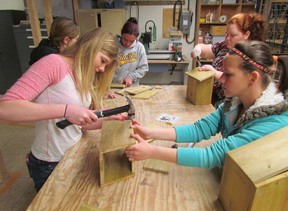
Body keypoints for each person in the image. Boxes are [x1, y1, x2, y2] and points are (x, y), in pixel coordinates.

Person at [125, 40, 288, 169]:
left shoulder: (272, 122)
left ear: (252, 78)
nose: (220, 78)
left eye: (228, 74)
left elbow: (214, 155)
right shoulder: (235, 102)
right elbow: (200, 129)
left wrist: (152, 151)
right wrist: (150, 133)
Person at [0, 28, 125, 192]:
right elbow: (6, 107)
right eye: (102, 60)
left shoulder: (83, 73)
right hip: (50, 162)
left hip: (73, 153)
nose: (102, 69)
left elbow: (78, 123)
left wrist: (103, 120)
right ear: (90, 47)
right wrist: (66, 110)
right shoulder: (53, 64)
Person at [191, 13, 266, 107]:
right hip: (211, 100)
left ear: (246, 34)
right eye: (226, 34)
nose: (227, 39)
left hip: (231, 105)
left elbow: (239, 82)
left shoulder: (252, 55)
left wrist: (214, 73)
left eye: (232, 35)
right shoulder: (225, 46)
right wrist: (198, 49)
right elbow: (205, 49)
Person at [112, 17, 148, 87]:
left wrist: (131, 77)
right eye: (125, 39)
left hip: (132, 87)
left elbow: (143, 68)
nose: (128, 44)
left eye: (131, 41)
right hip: (113, 86)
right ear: (121, 34)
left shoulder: (139, 47)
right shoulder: (113, 45)